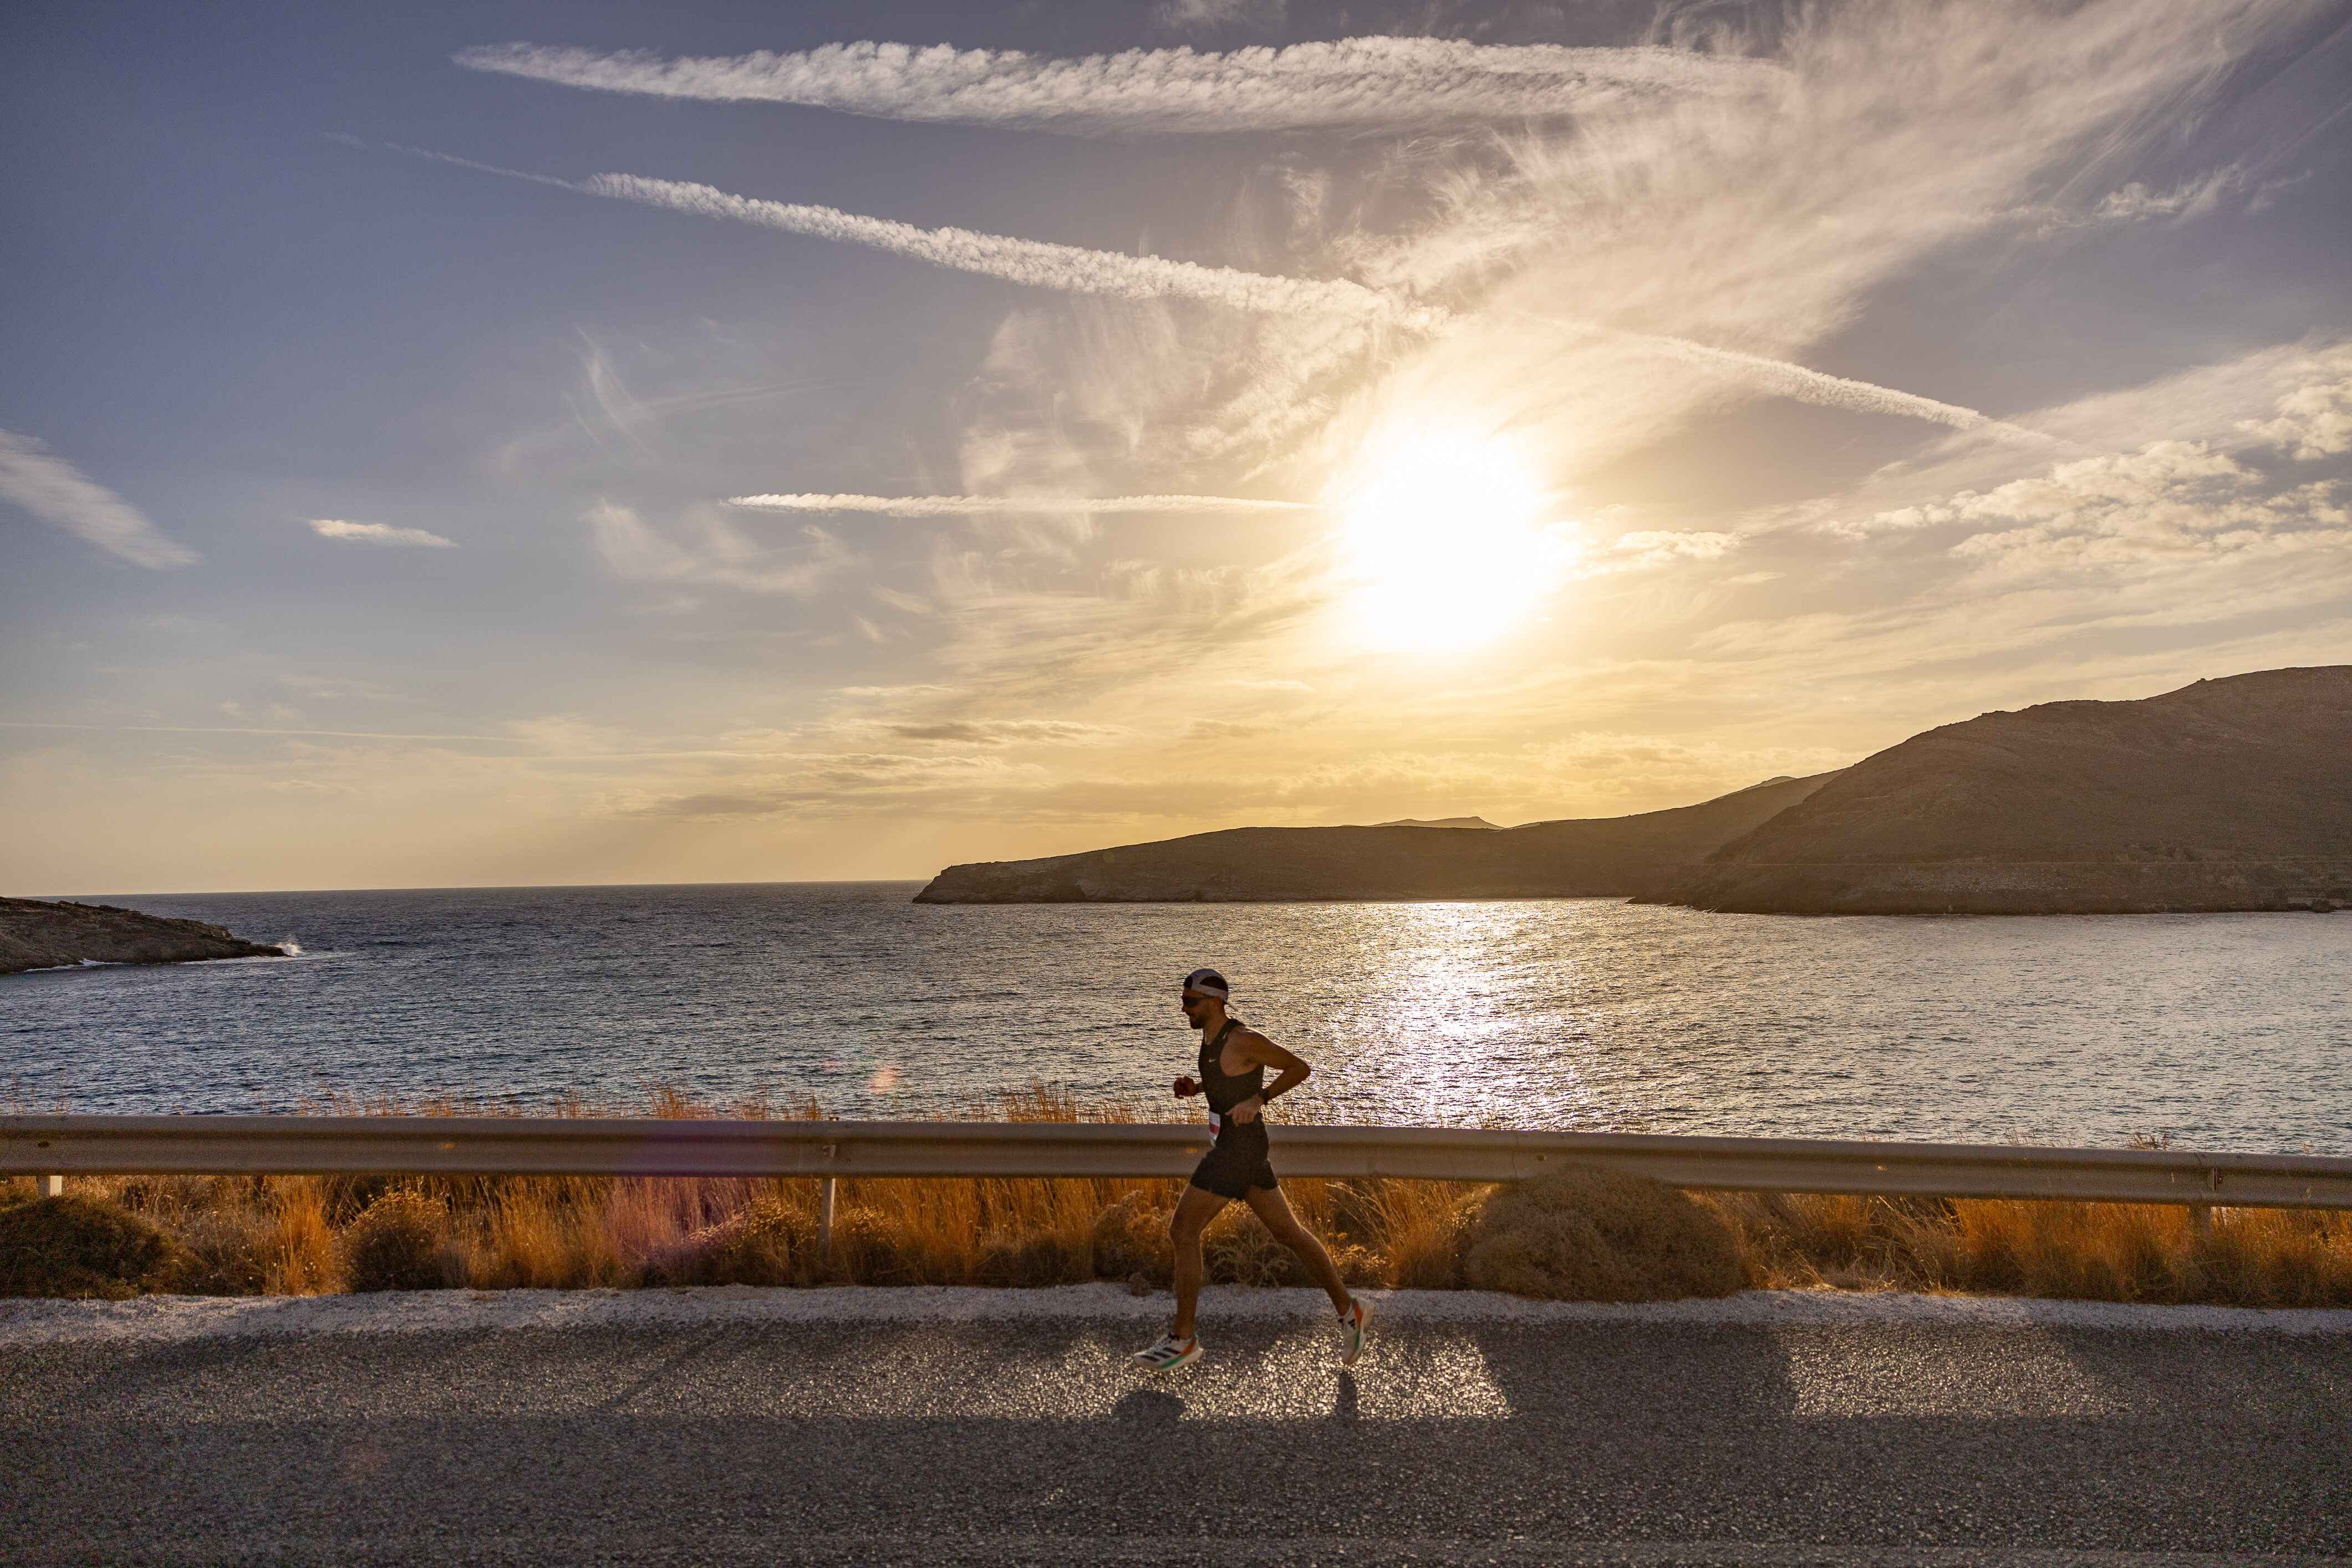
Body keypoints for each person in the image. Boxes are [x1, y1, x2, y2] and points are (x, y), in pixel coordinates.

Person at [1132, 967, 1371, 1371]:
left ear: (1215, 1003)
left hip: (1239, 1150)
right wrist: (1198, 1089)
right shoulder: (1210, 1042)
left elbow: (1299, 1068)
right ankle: (1351, 1311)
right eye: (1182, 1000)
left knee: (1183, 1231)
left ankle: (1183, 1338)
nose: (1184, 1008)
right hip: (1236, 1146)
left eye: (1191, 1002)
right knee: (1289, 1233)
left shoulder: (1244, 1040)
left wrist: (1260, 1099)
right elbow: (1228, 1081)